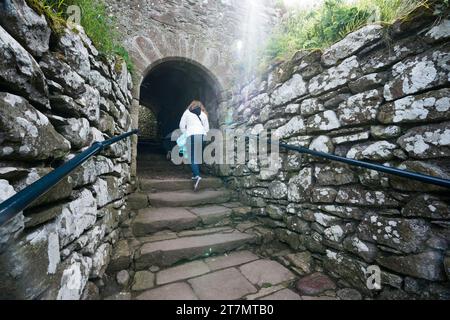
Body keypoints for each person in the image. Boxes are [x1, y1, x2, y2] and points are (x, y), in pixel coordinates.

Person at [179, 100, 210, 191]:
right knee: (197, 157)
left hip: (191, 135)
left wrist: (186, 133)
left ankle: (197, 176)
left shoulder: (187, 112)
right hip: (202, 137)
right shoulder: (204, 114)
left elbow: (181, 125)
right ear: (201, 106)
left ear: (191, 105)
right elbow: (207, 129)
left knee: (192, 157)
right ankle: (195, 174)